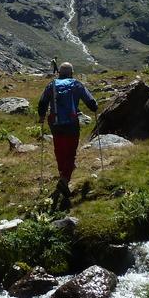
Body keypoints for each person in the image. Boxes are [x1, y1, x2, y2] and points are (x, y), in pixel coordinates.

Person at [37, 62, 98, 210]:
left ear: (59, 73)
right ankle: (64, 180)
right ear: (71, 73)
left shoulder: (51, 85)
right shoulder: (76, 84)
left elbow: (42, 102)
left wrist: (41, 117)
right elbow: (90, 100)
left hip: (55, 123)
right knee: (71, 153)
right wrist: (94, 108)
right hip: (71, 123)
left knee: (60, 151)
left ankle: (62, 177)